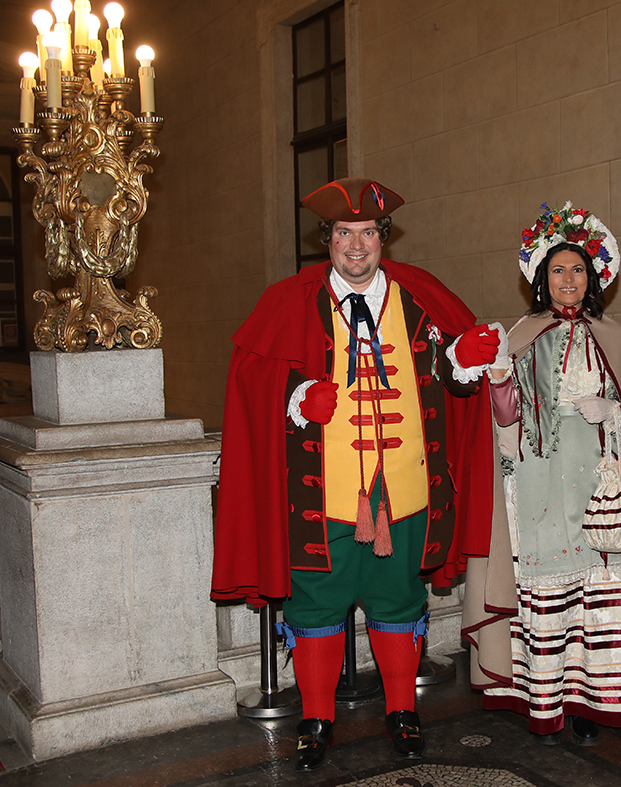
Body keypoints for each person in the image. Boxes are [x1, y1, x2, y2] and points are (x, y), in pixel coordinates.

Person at [211, 178, 498, 771]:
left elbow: (452, 380)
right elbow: (256, 384)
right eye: (345, 233)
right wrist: (297, 399)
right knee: (316, 605)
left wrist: (466, 364)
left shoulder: (420, 297)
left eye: (368, 233)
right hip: (324, 497)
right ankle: (315, 719)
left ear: (382, 238)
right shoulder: (288, 301)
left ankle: (402, 712)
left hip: (406, 491)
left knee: (398, 598)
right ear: (329, 239)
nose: (357, 245)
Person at [462, 202, 621, 746]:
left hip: (603, 493)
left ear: (592, 278)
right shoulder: (520, 336)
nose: (567, 280)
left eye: (577, 270)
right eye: (557, 270)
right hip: (539, 489)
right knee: (550, 596)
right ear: (541, 280)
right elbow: (504, 420)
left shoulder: (615, 338)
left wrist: (614, 409)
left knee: (603, 595)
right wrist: (499, 379)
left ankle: (593, 704)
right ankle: (547, 697)